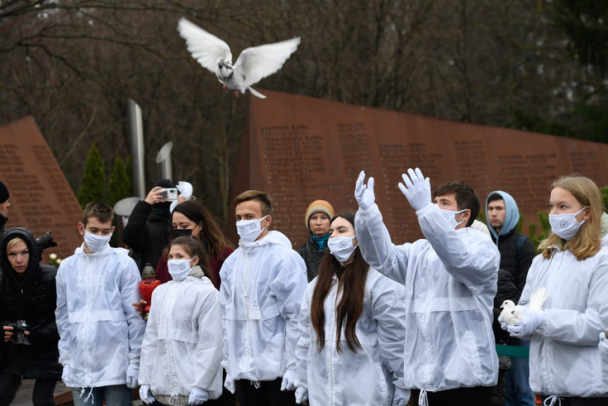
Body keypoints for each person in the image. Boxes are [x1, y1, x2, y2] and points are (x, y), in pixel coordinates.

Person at [354, 169, 500, 406]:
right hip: (426, 380)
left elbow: (460, 260)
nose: (434, 208)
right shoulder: (420, 250)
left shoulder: (481, 247)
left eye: (443, 204)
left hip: (467, 380)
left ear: (464, 215)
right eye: (433, 203)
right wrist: (369, 214)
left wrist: (425, 210)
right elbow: (381, 257)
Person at [501, 175, 608, 405]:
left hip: (588, 392)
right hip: (548, 391)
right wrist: (517, 320)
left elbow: (599, 324)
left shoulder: (602, 259)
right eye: (551, 206)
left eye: (563, 206)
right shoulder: (543, 260)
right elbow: (529, 308)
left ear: (587, 212)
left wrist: (542, 320)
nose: (554, 214)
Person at [295, 212, 409, 406]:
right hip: (323, 396)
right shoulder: (316, 287)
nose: (335, 237)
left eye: (342, 230)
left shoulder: (379, 282)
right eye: (332, 232)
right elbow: (305, 338)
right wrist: (302, 381)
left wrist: (402, 383)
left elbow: (395, 339)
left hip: (367, 394)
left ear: (360, 238)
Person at [219, 190, 308, 406]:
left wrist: (295, 366)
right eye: (238, 218)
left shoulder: (284, 259)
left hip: (278, 372)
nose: (242, 223)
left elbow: (297, 316)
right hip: (243, 372)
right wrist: (230, 364)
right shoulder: (231, 264)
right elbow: (227, 319)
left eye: (249, 217)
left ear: (266, 220)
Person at [55, 202, 145, 405]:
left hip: (116, 361)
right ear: (81, 228)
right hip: (80, 362)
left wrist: (135, 359)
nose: (99, 236)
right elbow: (63, 316)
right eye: (94, 230)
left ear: (113, 231)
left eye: (105, 232)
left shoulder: (123, 264)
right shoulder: (67, 268)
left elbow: (134, 316)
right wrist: (66, 358)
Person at [139, 237, 223, 406]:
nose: (173, 261)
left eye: (179, 256)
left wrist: (201, 385)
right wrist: (146, 379)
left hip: (193, 392)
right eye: (170, 257)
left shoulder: (206, 293)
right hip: (162, 391)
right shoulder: (160, 292)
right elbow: (151, 341)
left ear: (194, 260)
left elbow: (211, 344)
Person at [0, 228, 61, 406]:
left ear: (32, 252)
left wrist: (39, 335)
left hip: (47, 350)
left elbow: (64, 318)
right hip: (14, 350)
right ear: (4, 256)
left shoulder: (50, 276)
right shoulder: (2, 281)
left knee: (42, 401)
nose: (19, 260)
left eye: (24, 253)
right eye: (12, 254)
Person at [486, 191, 536, 406]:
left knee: (522, 389)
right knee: (500, 392)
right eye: (490, 209)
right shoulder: (482, 242)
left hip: (518, 326)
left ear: (511, 211)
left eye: (499, 208)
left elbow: (528, 284)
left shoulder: (522, 244)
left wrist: (514, 316)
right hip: (491, 326)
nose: (494, 214)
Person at [156, 200, 234, 289]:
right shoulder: (168, 257)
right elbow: (158, 286)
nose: (179, 230)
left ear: (200, 225)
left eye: (184, 226)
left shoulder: (222, 254)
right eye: (175, 227)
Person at [122, 179, 175, 271]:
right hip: (151, 279)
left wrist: (181, 207)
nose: (164, 197)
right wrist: (145, 205)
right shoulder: (144, 222)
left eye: (169, 193)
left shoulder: (179, 223)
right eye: (159, 193)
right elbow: (129, 239)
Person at [295, 200, 335, 281]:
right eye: (314, 218)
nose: (318, 222)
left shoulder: (339, 251)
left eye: (323, 218)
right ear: (309, 222)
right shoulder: (299, 254)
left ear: (331, 222)